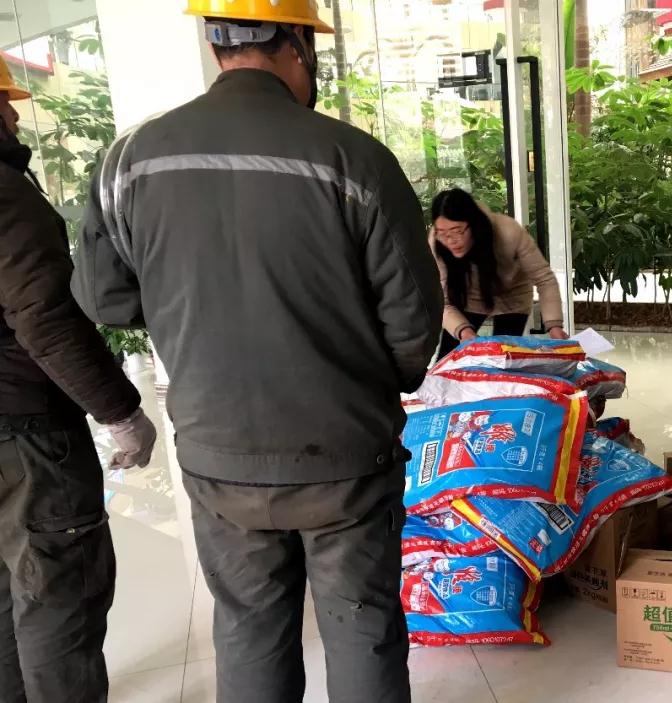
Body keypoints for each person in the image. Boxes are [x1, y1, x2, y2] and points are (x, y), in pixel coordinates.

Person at [70, 2, 442, 702]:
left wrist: (194, 317)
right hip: (345, 455)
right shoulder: (356, 159)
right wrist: (367, 379)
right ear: (297, 42)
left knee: (247, 628)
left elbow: (105, 299)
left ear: (216, 42)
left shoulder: (129, 161)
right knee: (361, 626)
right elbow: (413, 327)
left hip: (219, 454)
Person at [0, 57, 157, 702]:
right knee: (56, 593)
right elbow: (44, 317)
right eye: (5, 102)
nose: (15, 115)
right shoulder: (5, 195)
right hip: (26, 436)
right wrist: (121, 412)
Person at [432, 188, 568, 358]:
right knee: (448, 359)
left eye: (457, 231)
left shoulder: (508, 231)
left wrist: (554, 325)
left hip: (512, 297)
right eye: (443, 233)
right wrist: (463, 331)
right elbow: (441, 300)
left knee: (504, 359)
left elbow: (544, 279)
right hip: (468, 298)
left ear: (473, 224)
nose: (451, 240)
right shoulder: (436, 243)